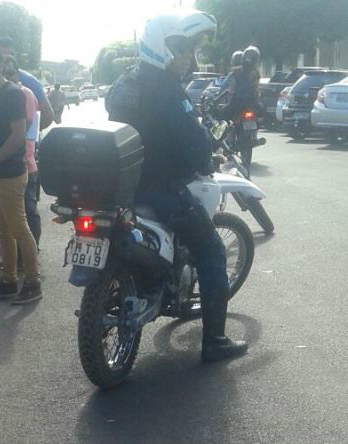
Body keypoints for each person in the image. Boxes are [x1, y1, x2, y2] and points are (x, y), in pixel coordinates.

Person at [106, 9, 248, 362]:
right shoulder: (168, 90)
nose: (189, 57)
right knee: (212, 252)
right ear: (162, 47)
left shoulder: (125, 82)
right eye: (182, 49)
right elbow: (195, 142)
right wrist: (206, 159)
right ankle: (214, 341)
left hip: (121, 188)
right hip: (161, 188)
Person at [0, 42, 42, 305]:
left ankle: (33, 282)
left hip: (10, 173)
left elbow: (18, 136)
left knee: (19, 228)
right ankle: (9, 279)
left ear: (0, 65)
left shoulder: (12, 93)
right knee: (2, 230)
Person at [4, 55, 42, 246]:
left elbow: (23, 131)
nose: (7, 77)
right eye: (3, 73)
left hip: (25, 164)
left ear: (17, 74)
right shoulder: (0, 95)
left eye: (10, 73)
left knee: (28, 212)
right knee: (12, 215)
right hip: (6, 165)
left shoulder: (24, 94)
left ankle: (31, 254)